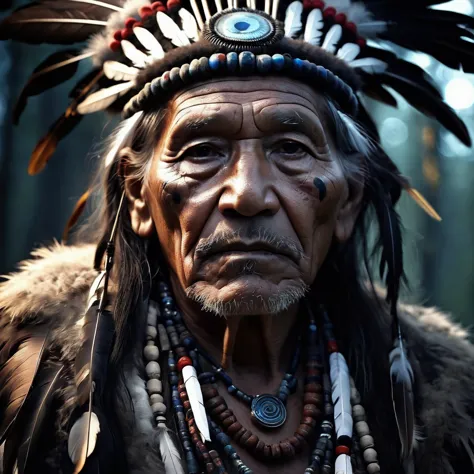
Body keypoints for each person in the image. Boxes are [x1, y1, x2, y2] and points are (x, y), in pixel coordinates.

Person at [0, 1, 473, 473]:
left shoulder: (441, 391)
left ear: (348, 201)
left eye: (291, 148)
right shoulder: (27, 363)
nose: (247, 195)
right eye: (202, 151)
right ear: (139, 198)